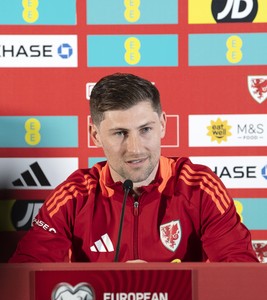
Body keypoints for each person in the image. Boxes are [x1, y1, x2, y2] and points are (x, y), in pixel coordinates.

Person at [9, 73, 259, 263]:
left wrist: (157, 285)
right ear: (95, 135)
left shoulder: (198, 186)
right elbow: (26, 276)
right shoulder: (74, 197)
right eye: (120, 133)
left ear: (162, 124)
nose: (136, 148)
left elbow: (239, 272)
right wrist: (121, 289)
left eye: (145, 129)